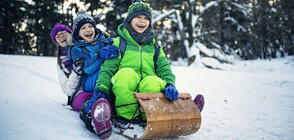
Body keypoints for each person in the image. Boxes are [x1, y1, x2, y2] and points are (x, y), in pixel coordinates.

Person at [88, 0, 205, 125]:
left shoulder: (153, 45)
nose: (142, 21)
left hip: (147, 88)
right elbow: (108, 69)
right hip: (126, 89)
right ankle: (127, 116)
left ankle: (150, 115)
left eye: (146, 18)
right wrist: (101, 89)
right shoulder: (119, 43)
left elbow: (163, 66)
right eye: (138, 17)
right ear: (129, 20)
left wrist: (170, 83)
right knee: (125, 74)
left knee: (152, 81)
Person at [70, 10, 118, 139]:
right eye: (83, 28)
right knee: (102, 75)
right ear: (77, 31)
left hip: (107, 76)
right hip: (90, 80)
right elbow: (86, 69)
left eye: (90, 26)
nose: (88, 30)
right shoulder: (76, 49)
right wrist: (99, 56)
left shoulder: (105, 40)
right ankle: (94, 115)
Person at [50, 23, 93, 112]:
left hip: (94, 82)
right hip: (79, 92)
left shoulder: (86, 46)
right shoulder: (61, 63)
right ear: (56, 43)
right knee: (84, 100)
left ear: (71, 34)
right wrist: (76, 73)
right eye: (58, 36)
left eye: (64, 33)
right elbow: (68, 90)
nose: (62, 36)